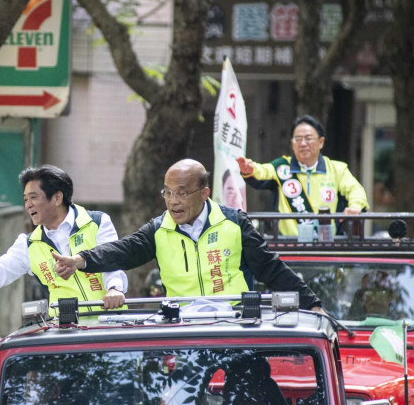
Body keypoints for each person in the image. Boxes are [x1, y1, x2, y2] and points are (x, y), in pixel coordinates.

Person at [50, 159, 322, 311]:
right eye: (167, 192)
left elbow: (271, 269)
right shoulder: (159, 229)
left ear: (204, 193)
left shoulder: (234, 223)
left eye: (181, 192)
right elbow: (123, 250)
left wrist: (312, 305)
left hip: (236, 326)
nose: (173, 201)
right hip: (183, 330)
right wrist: (80, 260)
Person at [0, 165, 127, 312]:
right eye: (25, 199)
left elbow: (112, 263)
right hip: (67, 336)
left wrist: (114, 289)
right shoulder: (28, 245)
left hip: (107, 327)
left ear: (57, 198)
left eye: (34, 198)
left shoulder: (97, 223)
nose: (28, 205)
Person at [237, 115, 369, 236]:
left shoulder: (337, 169)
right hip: (289, 246)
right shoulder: (282, 167)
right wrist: (250, 169)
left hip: (327, 245)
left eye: (308, 138)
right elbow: (263, 171)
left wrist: (355, 207)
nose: (303, 143)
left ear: (321, 142)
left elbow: (355, 190)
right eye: (298, 139)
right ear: (292, 144)